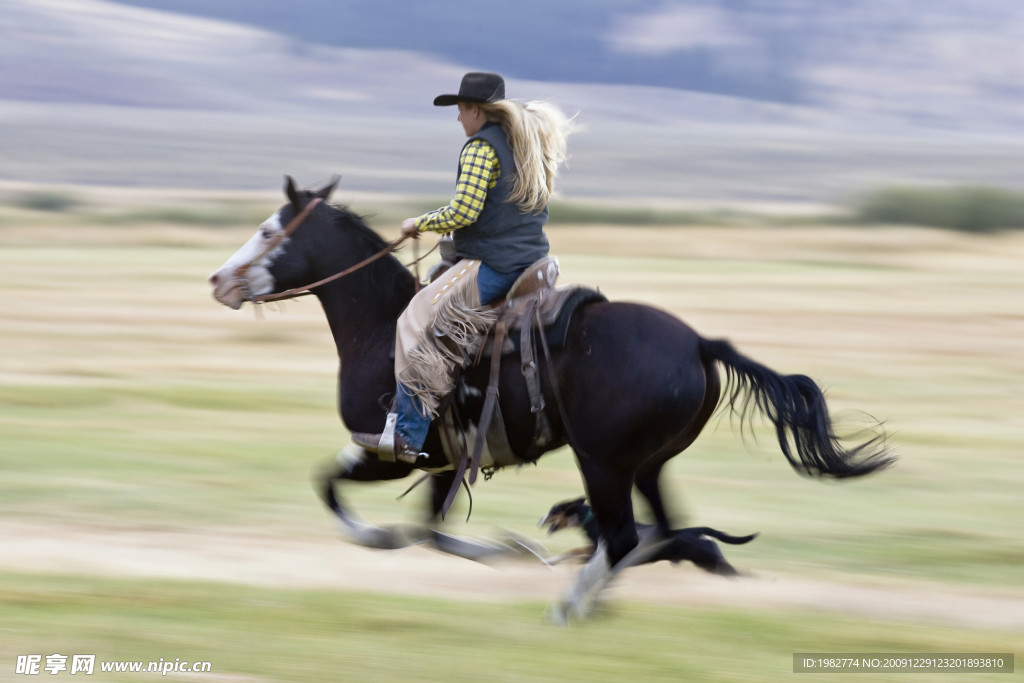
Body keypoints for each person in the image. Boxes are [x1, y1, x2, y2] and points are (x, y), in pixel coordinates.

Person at [352, 71, 575, 462]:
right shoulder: (525, 144)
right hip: (530, 259)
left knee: (416, 319)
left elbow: (464, 211)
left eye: (460, 110)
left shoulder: (480, 149)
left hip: (494, 263)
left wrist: (417, 223)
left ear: (475, 110)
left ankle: (407, 434)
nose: (458, 119)